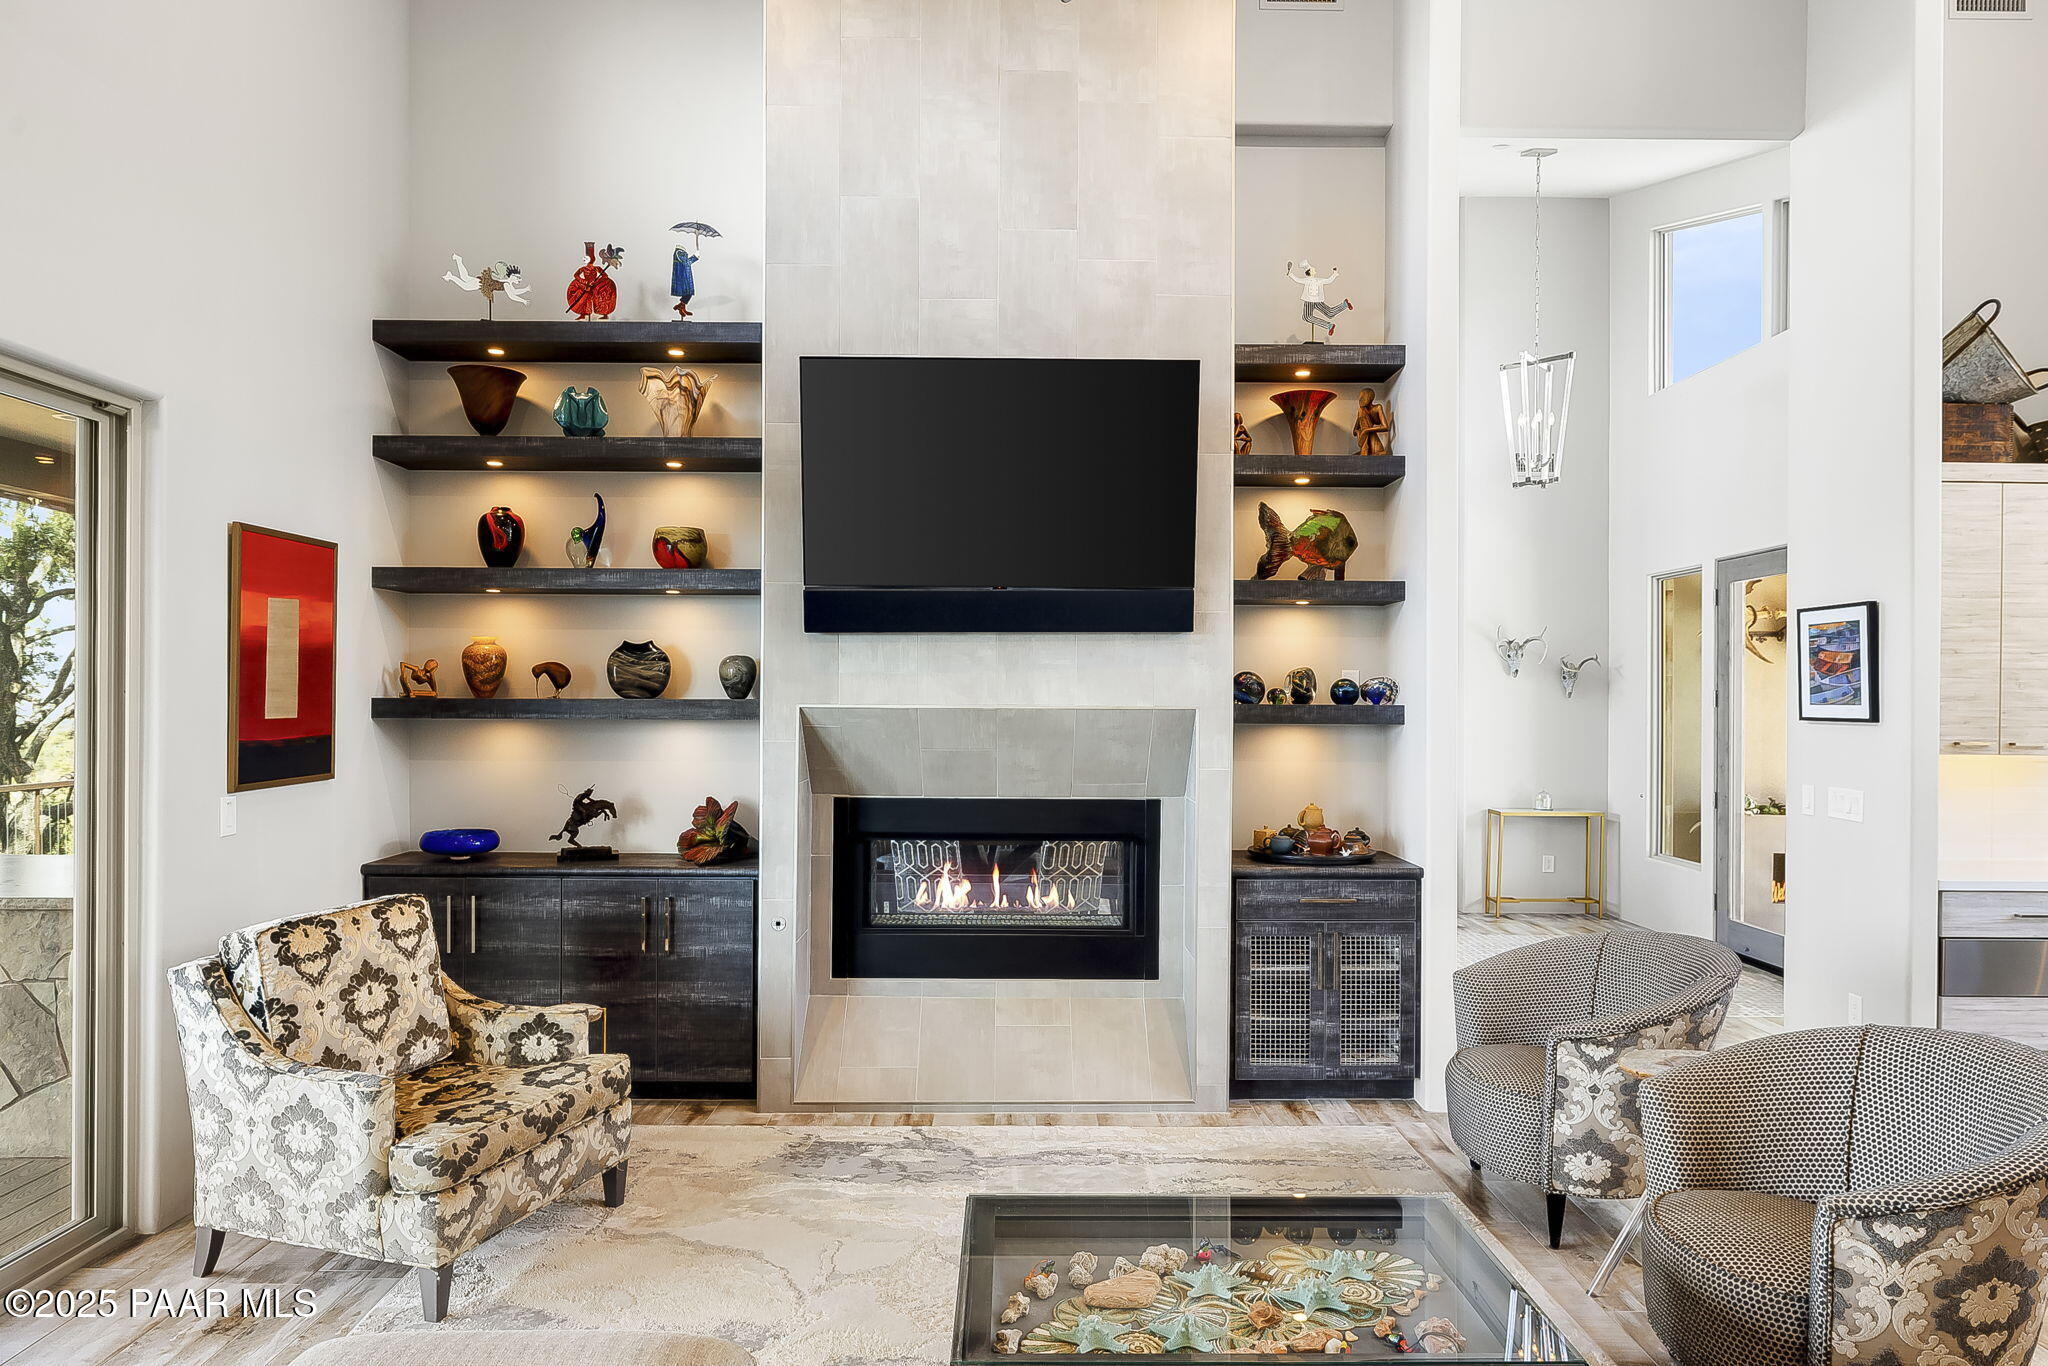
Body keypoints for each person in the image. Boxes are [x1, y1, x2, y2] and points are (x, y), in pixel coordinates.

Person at [1287, 260, 1353, 342]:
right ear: (1310, 272)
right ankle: (1344, 305)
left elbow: (1328, 281)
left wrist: (1335, 273)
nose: (1315, 270)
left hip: (1315, 301)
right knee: (1329, 313)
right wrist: (1290, 273)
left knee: (1307, 317)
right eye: (1313, 270)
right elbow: (1297, 280)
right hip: (1310, 301)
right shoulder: (1307, 280)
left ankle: (1330, 325)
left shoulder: (1319, 280)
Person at [671, 245, 700, 319]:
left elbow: (685, 262)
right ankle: (681, 306)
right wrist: (695, 257)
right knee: (688, 292)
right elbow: (686, 262)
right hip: (683, 277)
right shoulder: (679, 252)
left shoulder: (680, 253)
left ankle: (681, 306)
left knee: (689, 292)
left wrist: (695, 257)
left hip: (685, 276)